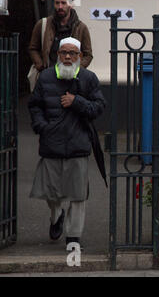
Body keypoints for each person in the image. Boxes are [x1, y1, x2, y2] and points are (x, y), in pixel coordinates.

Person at [28, 37, 106, 250]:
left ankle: (73, 238)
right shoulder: (45, 77)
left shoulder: (88, 78)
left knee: (77, 195)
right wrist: (41, 126)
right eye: (64, 53)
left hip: (78, 145)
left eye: (73, 53)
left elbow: (99, 106)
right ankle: (57, 215)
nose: (68, 57)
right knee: (50, 193)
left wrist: (77, 101)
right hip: (51, 144)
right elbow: (34, 105)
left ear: (80, 57)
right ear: (58, 55)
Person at [29, 0, 93, 74]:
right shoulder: (43, 24)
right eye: (57, 3)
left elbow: (88, 55)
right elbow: (33, 48)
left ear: (71, 4)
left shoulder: (81, 28)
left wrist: (77, 69)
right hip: (48, 76)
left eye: (63, 3)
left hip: (71, 77)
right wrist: (40, 66)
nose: (60, 7)